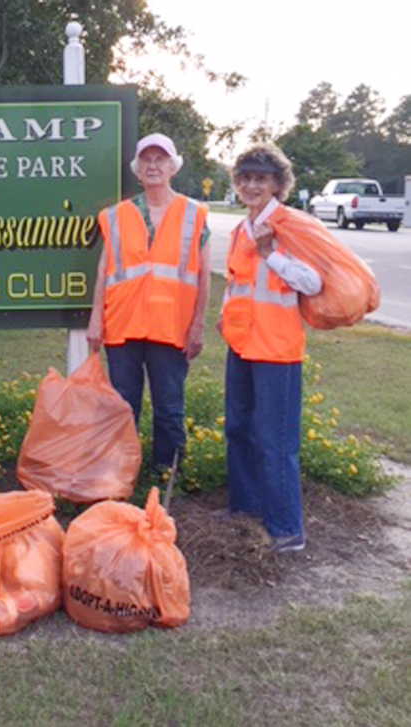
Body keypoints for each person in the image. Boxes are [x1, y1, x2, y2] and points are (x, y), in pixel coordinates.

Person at [87, 133, 211, 472]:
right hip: (123, 326)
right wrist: (96, 317)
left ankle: (166, 473)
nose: (153, 165)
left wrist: (198, 325)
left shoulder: (194, 214)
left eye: (160, 159)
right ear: (137, 170)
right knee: (123, 405)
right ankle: (121, 473)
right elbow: (104, 270)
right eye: (146, 160)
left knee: (169, 407)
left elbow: (203, 276)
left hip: (171, 327)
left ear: (173, 167)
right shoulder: (115, 216)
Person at [219, 143, 322, 553]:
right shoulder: (240, 228)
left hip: (277, 350)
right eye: (244, 177)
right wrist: (226, 313)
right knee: (238, 428)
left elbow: (313, 283)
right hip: (241, 344)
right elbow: (236, 281)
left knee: (275, 440)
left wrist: (271, 254)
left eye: (261, 178)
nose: (251, 185)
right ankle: (244, 509)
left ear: (278, 184)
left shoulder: (291, 225)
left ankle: (286, 529)